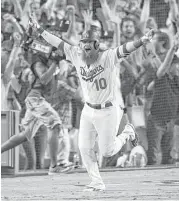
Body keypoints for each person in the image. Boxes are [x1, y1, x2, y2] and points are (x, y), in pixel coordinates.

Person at [29, 16, 154, 191]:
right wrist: (40, 30)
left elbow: (126, 48)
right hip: (89, 110)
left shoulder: (108, 57)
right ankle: (97, 183)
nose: (85, 47)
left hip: (108, 110)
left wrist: (142, 41)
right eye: (83, 43)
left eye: (89, 44)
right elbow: (58, 42)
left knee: (108, 151)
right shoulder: (75, 54)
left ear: (96, 45)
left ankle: (127, 132)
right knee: (83, 147)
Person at [1, 47, 69, 175]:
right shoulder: (38, 63)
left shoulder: (52, 64)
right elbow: (43, 79)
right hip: (35, 99)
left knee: (25, 135)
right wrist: (55, 63)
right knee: (55, 125)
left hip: (39, 101)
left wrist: (58, 62)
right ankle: (54, 166)